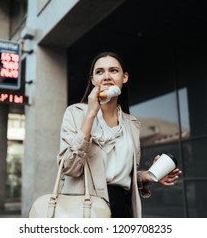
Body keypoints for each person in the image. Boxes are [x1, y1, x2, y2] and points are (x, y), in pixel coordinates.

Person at [57, 51, 182, 218]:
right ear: (93, 80)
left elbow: (121, 176)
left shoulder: (131, 124)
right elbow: (69, 167)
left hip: (122, 209)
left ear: (124, 77)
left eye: (113, 70)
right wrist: (90, 114)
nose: (106, 76)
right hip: (85, 209)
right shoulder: (75, 113)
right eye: (100, 72)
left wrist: (147, 176)